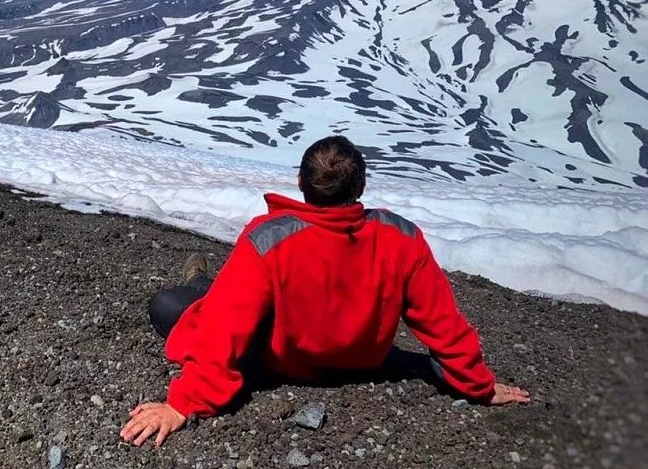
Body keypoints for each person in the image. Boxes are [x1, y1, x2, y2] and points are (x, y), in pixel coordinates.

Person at [120, 135, 530, 449]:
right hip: (362, 360)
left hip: (284, 361)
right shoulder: (402, 238)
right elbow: (444, 324)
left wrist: (181, 404)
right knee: (220, 292)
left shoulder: (268, 239)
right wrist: (479, 384)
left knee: (171, 305)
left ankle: (198, 283)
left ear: (300, 182)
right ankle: (201, 281)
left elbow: (224, 327)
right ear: (361, 185)